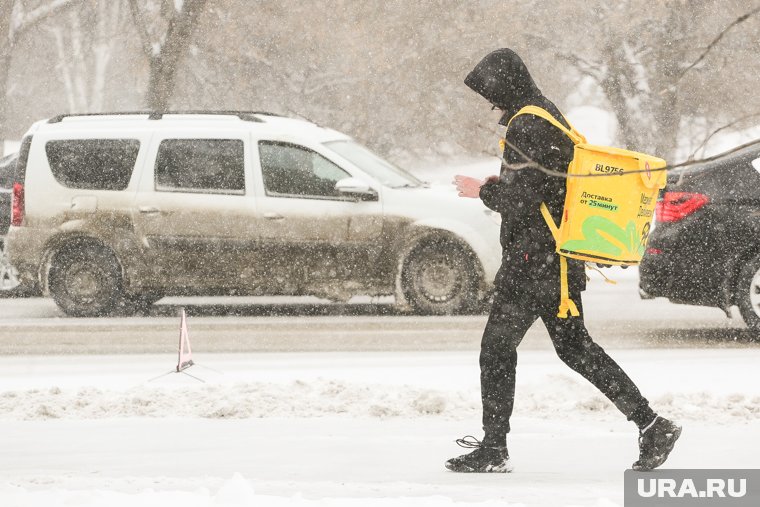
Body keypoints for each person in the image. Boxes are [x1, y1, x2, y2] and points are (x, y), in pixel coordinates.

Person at [447, 48, 681, 473]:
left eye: (490, 91)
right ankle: (652, 425)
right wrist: (508, 183)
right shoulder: (545, 114)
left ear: (505, 84)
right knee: (574, 349)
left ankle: (495, 450)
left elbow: (523, 199)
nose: (490, 101)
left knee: (498, 349)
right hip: (553, 257)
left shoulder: (527, 123)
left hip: (535, 261)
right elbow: (545, 185)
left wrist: (480, 190)